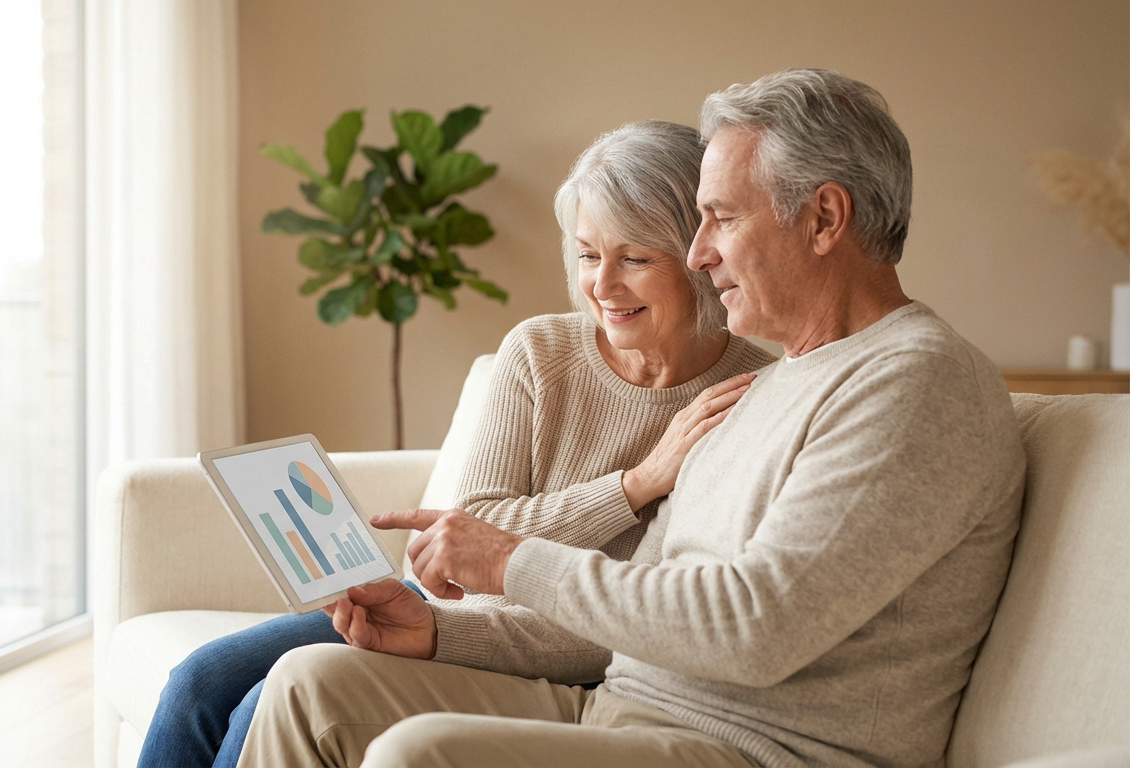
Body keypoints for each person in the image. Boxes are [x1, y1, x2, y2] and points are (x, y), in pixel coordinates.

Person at [240, 68, 1027, 768]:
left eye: (720, 217)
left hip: (755, 748)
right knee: (314, 683)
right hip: (624, 712)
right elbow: (640, 610)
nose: (698, 254)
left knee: (422, 753)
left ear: (824, 219)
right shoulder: (774, 380)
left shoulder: (915, 384)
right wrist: (444, 632)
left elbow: (753, 626)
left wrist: (512, 560)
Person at [135, 120, 776, 768]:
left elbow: (653, 611)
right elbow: (472, 527)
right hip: (439, 604)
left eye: (634, 258)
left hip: (546, 648)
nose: (602, 286)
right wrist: (636, 484)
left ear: (699, 254)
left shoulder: (747, 395)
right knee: (199, 684)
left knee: (261, 706)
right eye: (587, 255)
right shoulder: (540, 351)